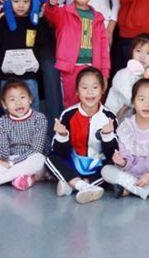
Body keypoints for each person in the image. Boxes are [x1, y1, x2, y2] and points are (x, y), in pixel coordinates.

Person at [46, 67, 119, 203]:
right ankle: (81, 185)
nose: (90, 92)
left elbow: (114, 154)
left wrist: (108, 136)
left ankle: (72, 185)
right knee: (50, 159)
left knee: (114, 165)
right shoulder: (68, 115)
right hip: (74, 162)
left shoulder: (109, 117)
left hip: (98, 164)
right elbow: (58, 152)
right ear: (77, 91)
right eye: (84, 88)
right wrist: (62, 136)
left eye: (95, 87)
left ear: (102, 90)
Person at [44, 0, 112, 112]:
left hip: (93, 69)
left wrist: (104, 74)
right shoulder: (64, 13)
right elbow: (51, 14)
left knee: (92, 105)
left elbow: (104, 50)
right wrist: (51, 4)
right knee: (71, 105)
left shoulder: (98, 18)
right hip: (70, 68)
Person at [0, 81, 50, 190]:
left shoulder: (39, 119)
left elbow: (36, 150)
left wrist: (12, 163)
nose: (18, 103)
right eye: (12, 99)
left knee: (39, 159)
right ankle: (20, 178)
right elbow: (4, 155)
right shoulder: (2, 122)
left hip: (29, 160)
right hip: (8, 160)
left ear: (30, 99)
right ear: (4, 104)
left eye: (22, 97)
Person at [0, 0, 43, 108]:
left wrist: (40, 19)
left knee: (32, 108)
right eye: (16, 1)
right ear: (8, 1)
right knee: (9, 110)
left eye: (25, 1)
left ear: (32, 2)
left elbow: (43, 41)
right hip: (7, 77)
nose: (21, 5)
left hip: (29, 76)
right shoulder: (3, 21)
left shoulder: (33, 22)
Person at [107, 36, 149, 119]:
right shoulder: (122, 74)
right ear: (131, 52)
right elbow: (117, 100)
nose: (142, 57)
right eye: (138, 51)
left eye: (148, 53)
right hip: (127, 116)